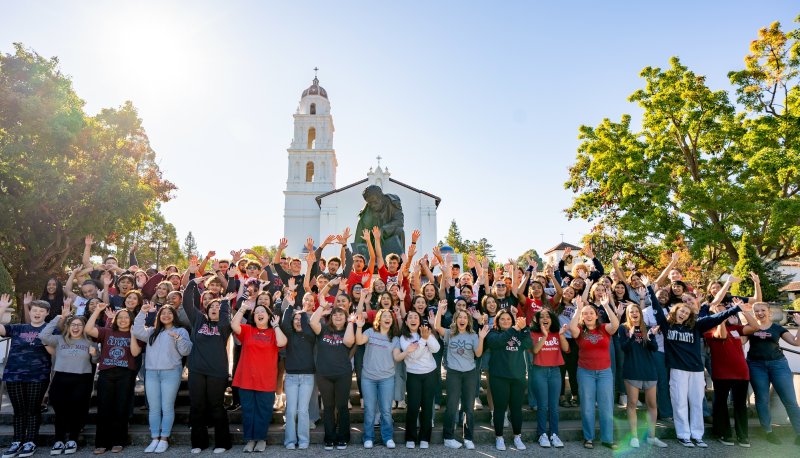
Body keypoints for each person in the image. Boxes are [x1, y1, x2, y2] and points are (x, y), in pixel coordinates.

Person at [651, 294, 742, 447]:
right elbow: (656, 309)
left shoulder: (696, 326)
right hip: (678, 369)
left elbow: (716, 318)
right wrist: (649, 290)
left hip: (696, 370)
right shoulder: (667, 326)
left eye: (687, 313)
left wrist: (736, 308)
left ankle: (697, 435)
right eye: (681, 311)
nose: (683, 314)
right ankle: (683, 435)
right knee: (679, 402)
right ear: (675, 311)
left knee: (696, 403)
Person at [38, 299, 99, 455]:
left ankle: (72, 438)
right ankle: (59, 440)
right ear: (68, 326)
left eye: (79, 325)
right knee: (60, 411)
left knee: (76, 410)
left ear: (84, 327)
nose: (76, 327)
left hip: (82, 379)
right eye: (73, 324)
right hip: (60, 379)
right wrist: (59, 317)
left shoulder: (89, 342)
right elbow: (43, 335)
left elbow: (95, 361)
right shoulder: (59, 340)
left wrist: (94, 354)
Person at [133, 303, 192, 454]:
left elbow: (186, 351)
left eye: (169, 313)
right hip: (152, 373)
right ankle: (154, 438)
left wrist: (178, 338)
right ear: (159, 316)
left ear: (174, 316)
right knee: (153, 408)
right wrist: (142, 313)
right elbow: (137, 331)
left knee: (167, 406)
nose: (166, 315)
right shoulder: (152, 332)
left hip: (171, 372)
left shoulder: (180, 331)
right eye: (163, 313)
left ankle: (164, 438)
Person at [182, 278, 233, 454]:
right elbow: (186, 302)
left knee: (216, 407)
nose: (214, 309)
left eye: (217, 308)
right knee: (197, 406)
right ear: (206, 309)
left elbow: (225, 317)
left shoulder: (224, 326)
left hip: (217, 373)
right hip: (196, 370)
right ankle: (198, 442)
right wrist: (192, 283)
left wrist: (224, 303)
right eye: (211, 307)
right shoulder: (198, 321)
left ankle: (222, 443)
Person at [231, 297, 287, 452]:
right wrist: (242, 309)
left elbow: (282, 343)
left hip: (266, 379)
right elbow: (234, 325)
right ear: (253, 317)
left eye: (263, 311)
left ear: (269, 316)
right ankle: (250, 439)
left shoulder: (274, 332)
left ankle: (261, 439)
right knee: (249, 411)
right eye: (256, 312)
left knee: (264, 411)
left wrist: (275, 326)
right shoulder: (248, 330)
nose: (259, 314)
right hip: (246, 379)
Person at [0, 294, 53, 458]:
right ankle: (17, 441)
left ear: (47, 313)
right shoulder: (18, 328)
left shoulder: (50, 329)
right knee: (19, 410)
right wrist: (2, 308)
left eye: (41, 311)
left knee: (32, 410)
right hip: (14, 375)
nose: (37, 313)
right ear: (30, 312)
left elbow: (54, 349)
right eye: (34, 310)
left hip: (38, 375)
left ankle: (30, 441)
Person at [85, 302, 141, 454]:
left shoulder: (135, 334)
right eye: (120, 317)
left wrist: (133, 333)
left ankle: (119, 441)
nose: (123, 320)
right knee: (104, 408)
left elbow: (135, 353)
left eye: (126, 318)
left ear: (131, 320)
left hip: (125, 373)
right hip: (106, 373)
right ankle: (101, 442)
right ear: (115, 320)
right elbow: (88, 329)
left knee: (121, 408)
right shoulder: (107, 332)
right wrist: (97, 310)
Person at [742, 302, 800, 446]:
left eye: (763, 310)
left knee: (790, 400)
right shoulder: (751, 328)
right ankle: (768, 431)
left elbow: (795, 342)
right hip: (756, 365)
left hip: (778, 365)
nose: (760, 313)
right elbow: (741, 341)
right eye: (756, 311)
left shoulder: (777, 328)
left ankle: (799, 432)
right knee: (762, 400)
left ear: (769, 312)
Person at [433, 301, 488, 450]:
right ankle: (448, 437)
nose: (462, 320)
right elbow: (437, 327)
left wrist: (481, 337)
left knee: (468, 407)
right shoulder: (450, 333)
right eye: (460, 317)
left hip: (470, 373)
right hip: (454, 373)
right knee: (451, 406)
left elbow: (478, 354)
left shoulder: (473, 335)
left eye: (465, 317)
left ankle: (468, 437)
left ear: (468, 321)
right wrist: (439, 310)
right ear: (456, 320)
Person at [568, 295, 619, 450]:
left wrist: (607, 305)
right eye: (585, 313)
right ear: (582, 317)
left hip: (604, 373)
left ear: (597, 315)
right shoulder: (580, 331)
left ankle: (607, 439)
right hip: (585, 373)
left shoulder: (604, 329)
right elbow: (571, 328)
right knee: (587, 406)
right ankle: (588, 438)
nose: (588, 315)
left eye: (591, 313)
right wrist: (578, 309)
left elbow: (615, 325)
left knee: (606, 406)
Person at [355, 308, 406, 449]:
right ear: (379, 319)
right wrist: (359, 327)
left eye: (390, 316)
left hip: (387, 378)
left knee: (386, 410)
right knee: (370, 409)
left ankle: (388, 437)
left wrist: (407, 351)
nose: (387, 318)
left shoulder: (395, 339)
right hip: (368, 378)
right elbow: (359, 341)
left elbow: (396, 357)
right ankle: (368, 437)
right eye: (384, 316)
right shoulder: (370, 332)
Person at [619, 302, 667, 448]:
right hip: (632, 370)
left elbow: (654, 348)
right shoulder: (624, 328)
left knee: (652, 404)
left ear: (640, 313)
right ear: (628, 314)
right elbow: (624, 348)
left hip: (649, 370)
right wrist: (632, 336)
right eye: (631, 311)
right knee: (632, 403)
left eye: (636, 311)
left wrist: (650, 336)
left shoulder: (647, 328)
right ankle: (634, 437)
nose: (634, 313)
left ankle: (652, 437)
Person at [704, 297, 750, 447]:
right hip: (722, 373)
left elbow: (755, 327)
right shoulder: (709, 331)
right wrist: (721, 319)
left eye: (727, 312)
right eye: (720, 311)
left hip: (741, 372)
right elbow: (721, 335)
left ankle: (743, 436)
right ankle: (725, 433)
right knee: (721, 403)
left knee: (740, 404)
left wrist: (744, 311)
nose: (726, 313)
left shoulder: (737, 329)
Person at [309, 301, 355, 450]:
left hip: (343, 374)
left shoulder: (348, 329)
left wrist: (350, 323)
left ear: (346, 317)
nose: (337, 316)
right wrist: (321, 307)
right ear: (330, 317)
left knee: (342, 406)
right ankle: (329, 438)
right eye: (334, 314)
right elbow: (312, 321)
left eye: (341, 314)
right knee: (328, 407)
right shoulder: (323, 329)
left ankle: (343, 437)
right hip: (324, 374)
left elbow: (348, 342)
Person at [486, 309, 532, 451]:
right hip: (499, 377)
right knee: (500, 409)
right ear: (497, 322)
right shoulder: (492, 334)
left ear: (512, 321)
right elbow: (498, 342)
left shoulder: (518, 332)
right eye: (502, 319)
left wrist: (523, 329)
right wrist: (514, 329)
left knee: (516, 409)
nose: (506, 321)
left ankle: (517, 436)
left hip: (518, 377)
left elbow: (529, 344)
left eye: (508, 319)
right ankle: (499, 437)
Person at [399, 309, 440, 449]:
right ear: (406, 321)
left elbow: (436, 349)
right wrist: (423, 340)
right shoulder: (404, 337)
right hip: (413, 375)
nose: (413, 319)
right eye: (409, 317)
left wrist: (427, 337)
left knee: (427, 407)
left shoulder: (426, 332)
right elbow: (413, 356)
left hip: (430, 374)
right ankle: (410, 437)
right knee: (413, 407)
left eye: (415, 317)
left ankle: (424, 438)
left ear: (419, 320)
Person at [281, 294, 317, 450]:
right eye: (295, 319)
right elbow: (284, 323)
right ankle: (290, 440)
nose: (298, 321)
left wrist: (301, 313)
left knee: (303, 410)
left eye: (300, 319)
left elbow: (304, 322)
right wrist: (290, 307)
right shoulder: (289, 334)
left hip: (307, 377)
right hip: (291, 377)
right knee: (290, 411)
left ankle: (303, 440)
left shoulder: (309, 335)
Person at [529, 308, 568, 448]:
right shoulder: (533, 333)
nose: (545, 319)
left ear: (552, 319)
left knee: (554, 406)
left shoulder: (557, 333)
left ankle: (554, 434)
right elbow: (534, 350)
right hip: (539, 371)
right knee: (543, 406)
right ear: (537, 320)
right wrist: (544, 336)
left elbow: (566, 348)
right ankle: (541, 434)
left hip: (555, 371)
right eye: (541, 317)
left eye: (548, 316)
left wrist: (562, 335)